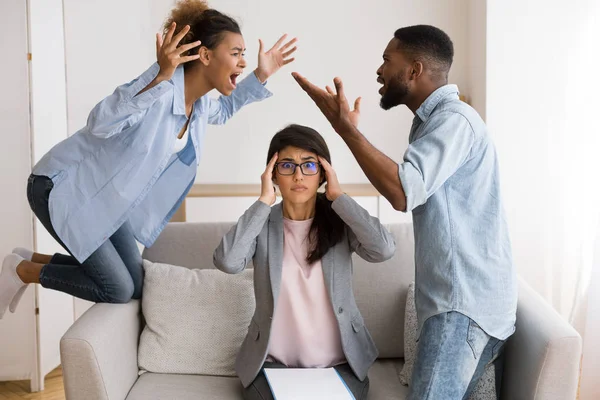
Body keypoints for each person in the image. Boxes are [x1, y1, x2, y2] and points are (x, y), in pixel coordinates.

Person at [0, 0, 297, 318]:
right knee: (116, 288)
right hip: (63, 187)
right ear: (207, 55)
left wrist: (261, 75)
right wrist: (158, 76)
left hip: (107, 202)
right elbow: (100, 123)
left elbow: (224, 110)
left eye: (244, 55)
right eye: (236, 53)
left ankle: (29, 258)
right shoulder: (161, 88)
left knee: (138, 285)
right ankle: (22, 271)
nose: (242, 62)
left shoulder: (197, 105)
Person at [292, 25, 517, 399]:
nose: (379, 71)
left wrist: (345, 130)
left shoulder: (454, 120)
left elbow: (402, 191)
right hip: (463, 307)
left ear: (414, 70)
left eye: (386, 60)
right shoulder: (433, 123)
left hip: (462, 309)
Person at [213, 124, 396, 400]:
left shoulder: (341, 221)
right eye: (287, 165)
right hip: (272, 364)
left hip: (341, 363)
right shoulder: (262, 224)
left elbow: (383, 249)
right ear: (273, 173)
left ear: (323, 173)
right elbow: (227, 261)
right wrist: (264, 200)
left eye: (309, 165)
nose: (298, 175)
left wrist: (339, 198)